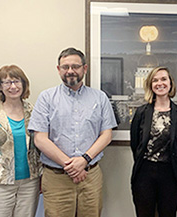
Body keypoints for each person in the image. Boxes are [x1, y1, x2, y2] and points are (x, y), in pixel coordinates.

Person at [28, 47, 117, 217]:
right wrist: (71, 167)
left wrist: (84, 160)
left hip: (90, 176)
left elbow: (106, 134)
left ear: (84, 68)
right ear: (58, 69)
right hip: (56, 178)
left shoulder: (100, 98)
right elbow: (40, 139)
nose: (70, 71)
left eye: (75, 66)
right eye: (65, 67)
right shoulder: (46, 98)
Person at [0, 65, 41, 217]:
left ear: (23, 84)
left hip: (30, 182)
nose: (12, 86)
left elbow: (39, 148)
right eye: (6, 82)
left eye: (16, 81)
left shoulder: (33, 112)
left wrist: (42, 177)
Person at [130, 66, 177, 217]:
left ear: (170, 83)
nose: (160, 83)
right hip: (144, 172)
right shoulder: (141, 112)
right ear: (150, 85)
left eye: (163, 79)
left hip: (170, 172)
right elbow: (135, 143)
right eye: (155, 80)